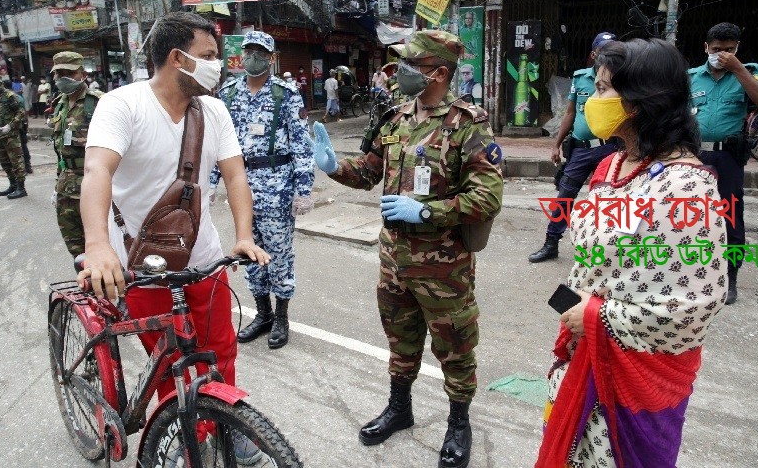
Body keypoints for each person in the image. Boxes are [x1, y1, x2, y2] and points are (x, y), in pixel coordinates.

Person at [78, 12, 269, 465]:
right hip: (144, 263)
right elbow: (96, 171)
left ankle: (223, 420)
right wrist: (98, 245)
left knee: (221, 350)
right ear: (177, 58)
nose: (219, 66)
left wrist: (243, 236)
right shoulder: (121, 105)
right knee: (170, 363)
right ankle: (187, 434)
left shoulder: (214, 110)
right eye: (209, 57)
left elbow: (236, 175)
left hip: (201, 256)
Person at [312, 30, 503, 468]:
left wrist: (427, 212)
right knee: (400, 341)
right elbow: (369, 171)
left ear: (438, 73)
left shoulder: (467, 123)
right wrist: (334, 167)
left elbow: (488, 197)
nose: (398, 72)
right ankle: (400, 409)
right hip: (394, 263)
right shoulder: (396, 118)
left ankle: (459, 423)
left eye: (410, 65)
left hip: (444, 270)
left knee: (455, 348)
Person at [536, 38, 728, 468]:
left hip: (633, 381)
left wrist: (591, 315)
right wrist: (568, 305)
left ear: (640, 101)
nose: (592, 100)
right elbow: (586, 262)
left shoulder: (685, 187)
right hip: (581, 355)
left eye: (604, 89)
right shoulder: (610, 166)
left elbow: (691, 308)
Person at [210, 30, 315, 349]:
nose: (253, 57)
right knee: (247, 251)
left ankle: (281, 317)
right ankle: (263, 314)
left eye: (260, 52)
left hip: (277, 186)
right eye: (248, 51)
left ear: (271, 58)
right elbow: (220, 143)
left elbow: (301, 143)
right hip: (240, 187)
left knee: (279, 254)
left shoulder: (286, 93)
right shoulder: (227, 93)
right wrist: (211, 184)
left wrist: (304, 188)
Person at [689, 22, 758, 305]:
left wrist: (738, 68)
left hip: (728, 158)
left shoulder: (749, 74)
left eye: (729, 49)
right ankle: (693, 272)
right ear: (706, 48)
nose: (721, 54)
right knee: (692, 216)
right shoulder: (691, 77)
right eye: (716, 49)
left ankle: (730, 277)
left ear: (737, 49)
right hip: (695, 156)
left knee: (731, 216)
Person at [528, 32, 618, 263]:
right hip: (580, 149)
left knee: (606, 200)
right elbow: (570, 113)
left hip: (609, 149)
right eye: (603, 50)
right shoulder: (579, 78)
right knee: (565, 195)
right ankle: (551, 243)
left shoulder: (622, 79)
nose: (607, 55)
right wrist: (556, 144)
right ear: (593, 54)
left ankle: (605, 249)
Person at [49, 52, 104, 259]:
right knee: (76, 250)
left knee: (102, 245)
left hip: (93, 187)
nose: (63, 78)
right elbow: (60, 150)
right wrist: (57, 185)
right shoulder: (59, 105)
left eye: (69, 73)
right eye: (59, 73)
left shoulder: (98, 102)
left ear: (82, 73)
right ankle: (88, 284)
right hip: (66, 187)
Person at [0, 74, 28, 199]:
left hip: (10, 135)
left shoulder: (10, 96)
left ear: (1, 83)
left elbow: (21, 112)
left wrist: (10, 125)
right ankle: (13, 185)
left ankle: (21, 188)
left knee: (16, 161)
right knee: (4, 161)